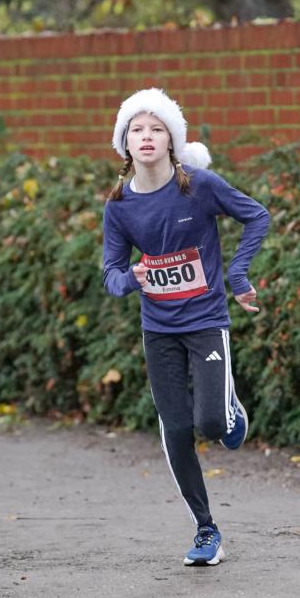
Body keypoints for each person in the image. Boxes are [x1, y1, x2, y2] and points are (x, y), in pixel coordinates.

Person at [102, 87, 271, 566]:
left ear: (172, 141)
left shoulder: (199, 185)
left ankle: (230, 410)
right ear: (125, 144)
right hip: (158, 329)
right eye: (137, 129)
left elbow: (257, 215)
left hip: (206, 321)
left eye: (157, 129)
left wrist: (237, 275)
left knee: (213, 424)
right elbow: (110, 274)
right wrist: (131, 278)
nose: (147, 136)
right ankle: (206, 530)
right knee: (176, 429)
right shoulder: (118, 206)